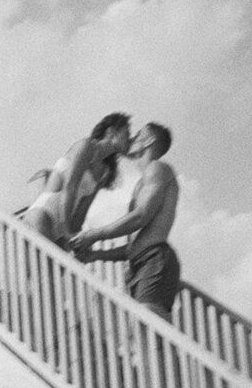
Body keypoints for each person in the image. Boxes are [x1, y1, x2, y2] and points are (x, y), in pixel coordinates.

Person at [69, 122, 180, 321]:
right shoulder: (144, 180)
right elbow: (133, 247)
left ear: (149, 141)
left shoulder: (158, 168)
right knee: (148, 336)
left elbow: (141, 215)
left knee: (148, 331)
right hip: (142, 263)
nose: (131, 139)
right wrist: (97, 255)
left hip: (154, 260)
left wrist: (95, 234)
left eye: (138, 135)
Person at [21, 112, 132, 249]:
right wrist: (67, 230)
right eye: (126, 133)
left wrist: (75, 235)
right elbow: (70, 186)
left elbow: (82, 210)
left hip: (62, 228)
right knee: (41, 269)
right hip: (43, 214)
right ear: (111, 132)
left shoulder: (104, 172)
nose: (129, 138)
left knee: (56, 269)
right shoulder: (86, 146)